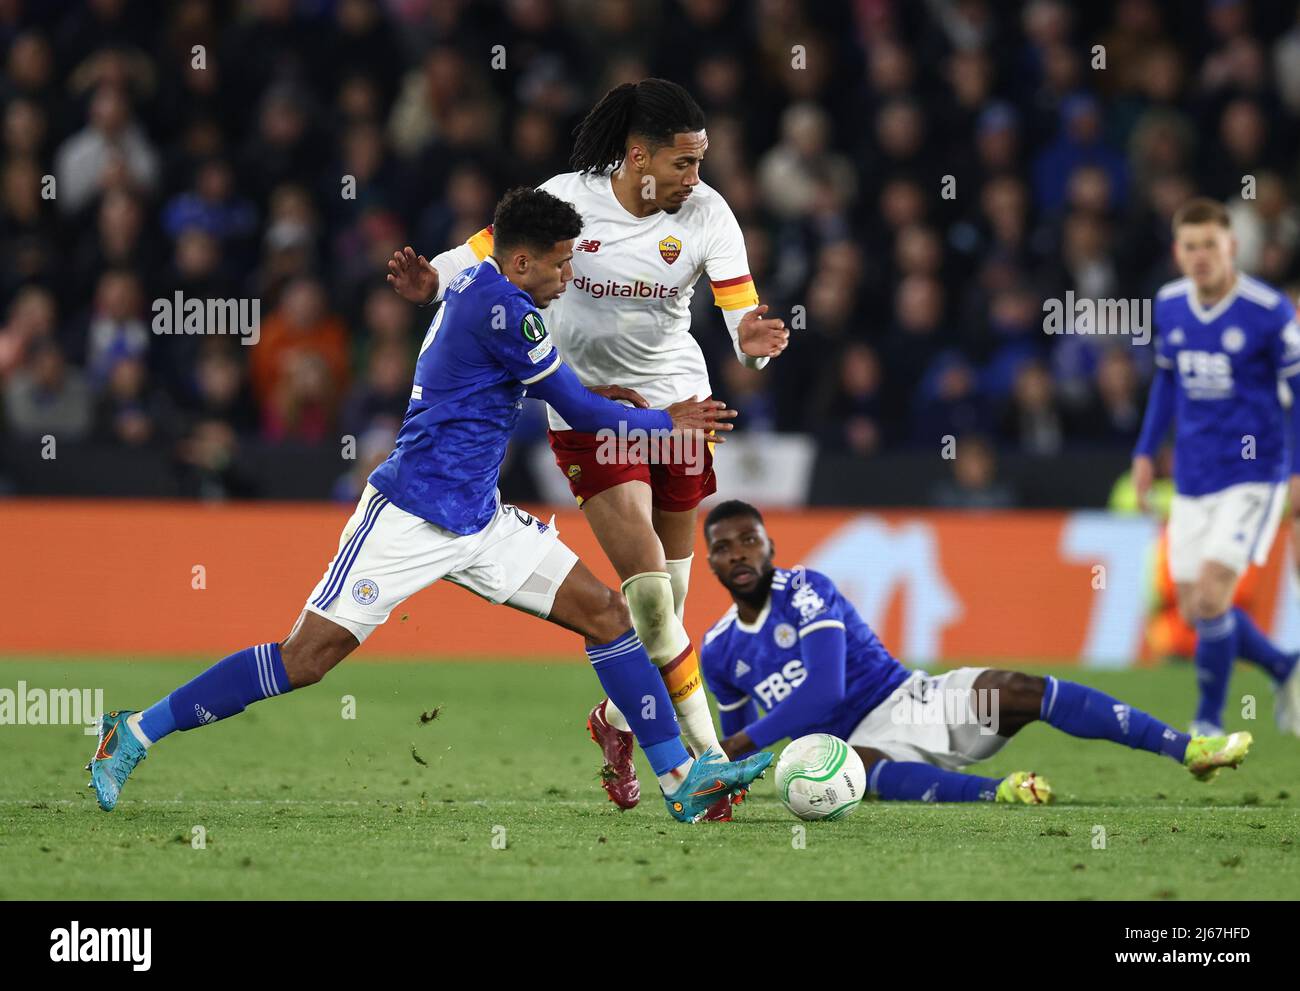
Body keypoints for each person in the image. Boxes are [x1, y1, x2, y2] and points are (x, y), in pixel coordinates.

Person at [87, 188, 772, 823]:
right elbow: (580, 409)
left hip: (479, 517)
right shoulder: (505, 309)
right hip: (410, 514)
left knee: (608, 612)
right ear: (523, 258)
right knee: (305, 659)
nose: (569, 277)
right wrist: (668, 423)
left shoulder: (485, 288)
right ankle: (136, 729)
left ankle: (680, 775)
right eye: (560, 265)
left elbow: (511, 385)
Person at [386, 79, 789, 818]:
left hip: (678, 406)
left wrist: (754, 346)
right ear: (638, 157)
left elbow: (740, 312)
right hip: (588, 411)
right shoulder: (569, 198)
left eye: (699, 164)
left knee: (665, 610)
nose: (694, 178)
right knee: (651, 603)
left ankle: (614, 722)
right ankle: (707, 761)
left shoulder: (709, 215)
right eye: (682, 164)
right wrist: (430, 281)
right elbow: (485, 254)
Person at [691, 499, 1251, 805]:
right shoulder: (718, 651)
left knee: (1021, 690)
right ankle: (1001, 794)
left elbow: (825, 688)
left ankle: (1189, 750)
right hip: (840, 753)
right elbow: (735, 751)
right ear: (710, 563)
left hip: (911, 702)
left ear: (771, 548)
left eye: (750, 541)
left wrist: (738, 743)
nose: (738, 554)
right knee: (859, 766)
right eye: (723, 547)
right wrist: (722, 779)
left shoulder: (805, 588)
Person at [1132, 197, 1300, 737]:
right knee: (1192, 606)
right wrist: (1143, 451)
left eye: (1211, 244)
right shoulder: (1170, 305)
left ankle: (1207, 720)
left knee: (1211, 594)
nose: (1201, 255)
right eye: (1190, 245)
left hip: (1254, 473)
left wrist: (1295, 471)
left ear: (1231, 246)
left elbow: (1296, 394)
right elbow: (1165, 381)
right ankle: (1283, 666)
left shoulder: (1269, 311)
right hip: (1193, 476)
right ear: (1177, 252)